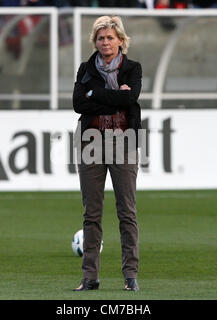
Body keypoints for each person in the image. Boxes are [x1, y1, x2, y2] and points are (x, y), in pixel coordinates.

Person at [72, 15, 142, 291]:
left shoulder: (133, 68)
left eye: (110, 37)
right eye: (100, 38)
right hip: (91, 142)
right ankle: (90, 278)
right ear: (95, 41)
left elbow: (130, 99)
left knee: (127, 211)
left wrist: (94, 95)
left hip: (124, 142)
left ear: (121, 41)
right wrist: (113, 98)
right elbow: (78, 104)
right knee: (92, 213)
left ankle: (131, 276)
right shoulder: (85, 69)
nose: (105, 42)